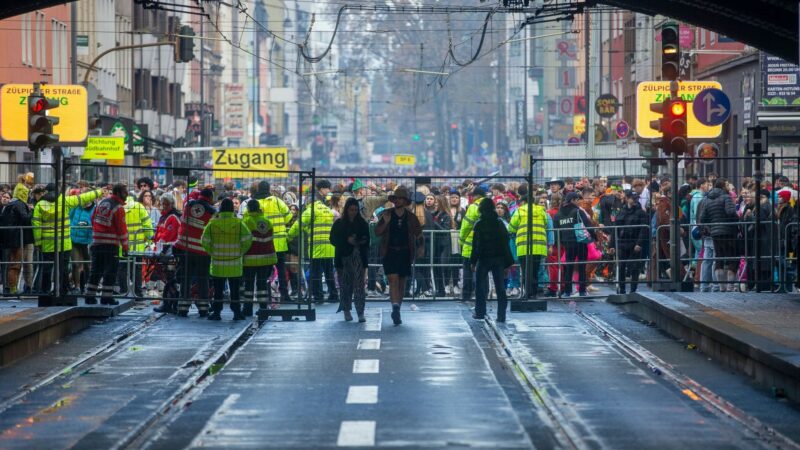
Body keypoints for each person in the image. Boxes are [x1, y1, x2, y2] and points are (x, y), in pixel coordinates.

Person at [33, 183, 103, 298]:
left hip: (47, 243)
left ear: (46, 192)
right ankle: (63, 289)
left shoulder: (40, 204)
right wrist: (99, 191)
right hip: (64, 243)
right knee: (63, 268)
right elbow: (84, 197)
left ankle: (45, 290)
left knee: (47, 267)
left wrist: (38, 242)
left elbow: (36, 224)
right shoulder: (65, 201)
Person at [375, 186, 422, 326]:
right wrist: (387, 222)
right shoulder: (386, 214)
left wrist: (421, 248)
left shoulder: (411, 217)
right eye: (396, 198)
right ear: (394, 200)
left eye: (401, 198)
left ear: (405, 201)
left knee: (401, 283)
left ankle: (397, 308)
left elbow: (418, 233)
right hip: (389, 251)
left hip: (406, 252)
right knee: (393, 280)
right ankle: (395, 307)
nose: (398, 201)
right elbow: (377, 231)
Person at [201, 198, 253, 321]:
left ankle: (217, 312)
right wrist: (241, 251)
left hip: (218, 262)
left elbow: (204, 240)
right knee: (235, 291)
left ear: (220, 208)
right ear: (232, 208)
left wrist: (212, 252)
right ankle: (236, 312)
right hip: (234, 262)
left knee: (218, 290)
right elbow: (248, 239)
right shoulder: (239, 223)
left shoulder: (212, 223)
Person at [288, 179, 337, 302]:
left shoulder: (311, 210)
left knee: (316, 274)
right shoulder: (328, 210)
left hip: (316, 248)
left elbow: (298, 225)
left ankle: (318, 296)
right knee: (329, 273)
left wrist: (288, 236)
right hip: (330, 247)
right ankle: (333, 295)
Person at [470, 198, 515, 321]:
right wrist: (508, 263)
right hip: (499, 259)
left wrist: (473, 261)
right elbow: (505, 243)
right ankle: (501, 316)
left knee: (480, 287)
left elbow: (476, 245)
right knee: (500, 288)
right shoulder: (499, 223)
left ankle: (480, 313)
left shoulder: (479, 224)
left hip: (483, 259)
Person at [175, 187, 216, 317]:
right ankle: (203, 309)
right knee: (203, 280)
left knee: (186, 279)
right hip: (202, 251)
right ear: (210, 198)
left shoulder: (189, 205)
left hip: (186, 249)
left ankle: (182, 308)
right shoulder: (212, 211)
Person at [85, 184, 129, 305]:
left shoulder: (102, 203)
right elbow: (122, 229)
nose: (127, 194)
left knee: (96, 271)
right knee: (110, 272)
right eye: (125, 192)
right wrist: (126, 247)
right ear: (119, 193)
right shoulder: (118, 208)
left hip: (96, 243)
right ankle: (106, 297)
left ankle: (89, 296)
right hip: (110, 245)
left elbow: (93, 218)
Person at [330, 197, 370, 322]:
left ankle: (360, 312)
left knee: (359, 287)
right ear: (346, 210)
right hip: (343, 260)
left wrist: (358, 241)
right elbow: (333, 239)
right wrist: (347, 241)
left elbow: (367, 240)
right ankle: (346, 310)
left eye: (355, 210)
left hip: (358, 258)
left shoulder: (363, 223)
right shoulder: (339, 224)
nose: (353, 212)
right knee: (345, 287)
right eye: (351, 210)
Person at [254, 180, 294, 302]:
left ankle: (264, 295)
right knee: (281, 270)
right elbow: (289, 216)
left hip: (263, 242)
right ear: (269, 189)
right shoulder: (277, 201)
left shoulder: (256, 203)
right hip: (280, 241)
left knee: (264, 270)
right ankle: (284, 295)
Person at [508, 184, 550, 299]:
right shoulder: (541, 210)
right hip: (539, 246)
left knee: (526, 271)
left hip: (524, 246)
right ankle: (534, 293)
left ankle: (527, 294)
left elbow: (512, 227)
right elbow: (545, 224)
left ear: (524, 202)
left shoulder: (520, 210)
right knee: (535, 270)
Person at [553, 192, 596, 297]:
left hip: (567, 243)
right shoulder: (577, 211)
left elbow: (555, 231)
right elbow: (587, 224)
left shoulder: (558, 214)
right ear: (572, 200)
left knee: (569, 268)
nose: (579, 202)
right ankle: (582, 291)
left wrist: (559, 243)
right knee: (582, 266)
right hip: (580, 241)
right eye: (577, 200)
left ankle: (567, 291)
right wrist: (594, 237)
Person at [700, 179, 739, 291]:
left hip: (715, 234)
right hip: (729, 232)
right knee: (733, 258)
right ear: (723, 187)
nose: (727, 186)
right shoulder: (726, 197)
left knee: (719, 259)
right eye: (726, 185)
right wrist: (738, 219)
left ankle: (721, 287)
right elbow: (731, 212)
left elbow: (702, 218)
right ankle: (730, 286)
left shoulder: (707, 199)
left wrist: (711, 226)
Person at [241, 200, 278, 316]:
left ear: (248, 209)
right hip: (266, 258)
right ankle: (263, 308)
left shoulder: (246, 221)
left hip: (250, 259)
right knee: (262, 285)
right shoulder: (267, 221)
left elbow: (242, 240)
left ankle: (248, 309)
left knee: (249, 285)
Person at [611, 190, 649, 294]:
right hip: (623, 243)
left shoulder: (641, 212)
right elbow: (615, 228)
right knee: (622, 267)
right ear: (627, 199)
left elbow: (643, 229)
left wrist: (639, 243)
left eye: (636, 198)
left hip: (634, 243)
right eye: (633, 198)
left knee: (634, 267)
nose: (635, 200)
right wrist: (612, 244)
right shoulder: (622, 211)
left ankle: (633, 289)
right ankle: (622, 289)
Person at [118, 193, 153, 297]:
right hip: (137, 245)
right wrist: (150, 238)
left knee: (122, 268)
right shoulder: (139, 206)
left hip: (122, 244)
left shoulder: (119, 207)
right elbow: (147, 225)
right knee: (137, 268)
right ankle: (138, 292)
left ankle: (123, 291)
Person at [1, 180, 33, 295]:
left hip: (11, 238)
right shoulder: (19, 204)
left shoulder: (11, 203)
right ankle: (13, 288)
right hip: (18, 239)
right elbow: (25, 219)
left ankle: (11, 287)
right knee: (15, 264)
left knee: (13, 263)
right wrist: (31, 211)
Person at [152, 193, 181, 313]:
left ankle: (169, 303)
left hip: (169, 252)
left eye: (166, 204)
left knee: (170, 278)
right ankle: (172, 303)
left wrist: (158, 249)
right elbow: (160, 234)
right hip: (165, 251)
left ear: (171, 204)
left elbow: (167, 235)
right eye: (162, 203)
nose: (163, 206)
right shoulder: (165, 217)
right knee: (169, 279)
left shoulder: (172, 217)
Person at [459, 185, 487, 302]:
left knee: (468, 272)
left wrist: (461, 239)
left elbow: (466, 226)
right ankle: (483, 295)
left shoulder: (473, 207)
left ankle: (466, 295)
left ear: (476, 196)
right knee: (483, 272)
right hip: (486, 245)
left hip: (470, 245)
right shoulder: (490, 207)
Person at [69, 189, 95, 294]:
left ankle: (89, 287)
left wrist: (87, 224)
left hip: (88, 241)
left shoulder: (95, 209)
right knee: (75, 264)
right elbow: (69, 218)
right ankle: (77, 287)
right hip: (74, 239)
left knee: (88, 265)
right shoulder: (76, 207)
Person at [429, 195, 453, 297]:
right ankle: (439, 289)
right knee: (435, 268)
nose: (435, 204)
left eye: (437, 203)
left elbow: (445, 230)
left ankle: (442, 289)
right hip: (435, 245)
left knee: (441, 267)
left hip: (443, 245)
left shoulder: (446, 216)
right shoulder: (433, 214)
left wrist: (434, 224)